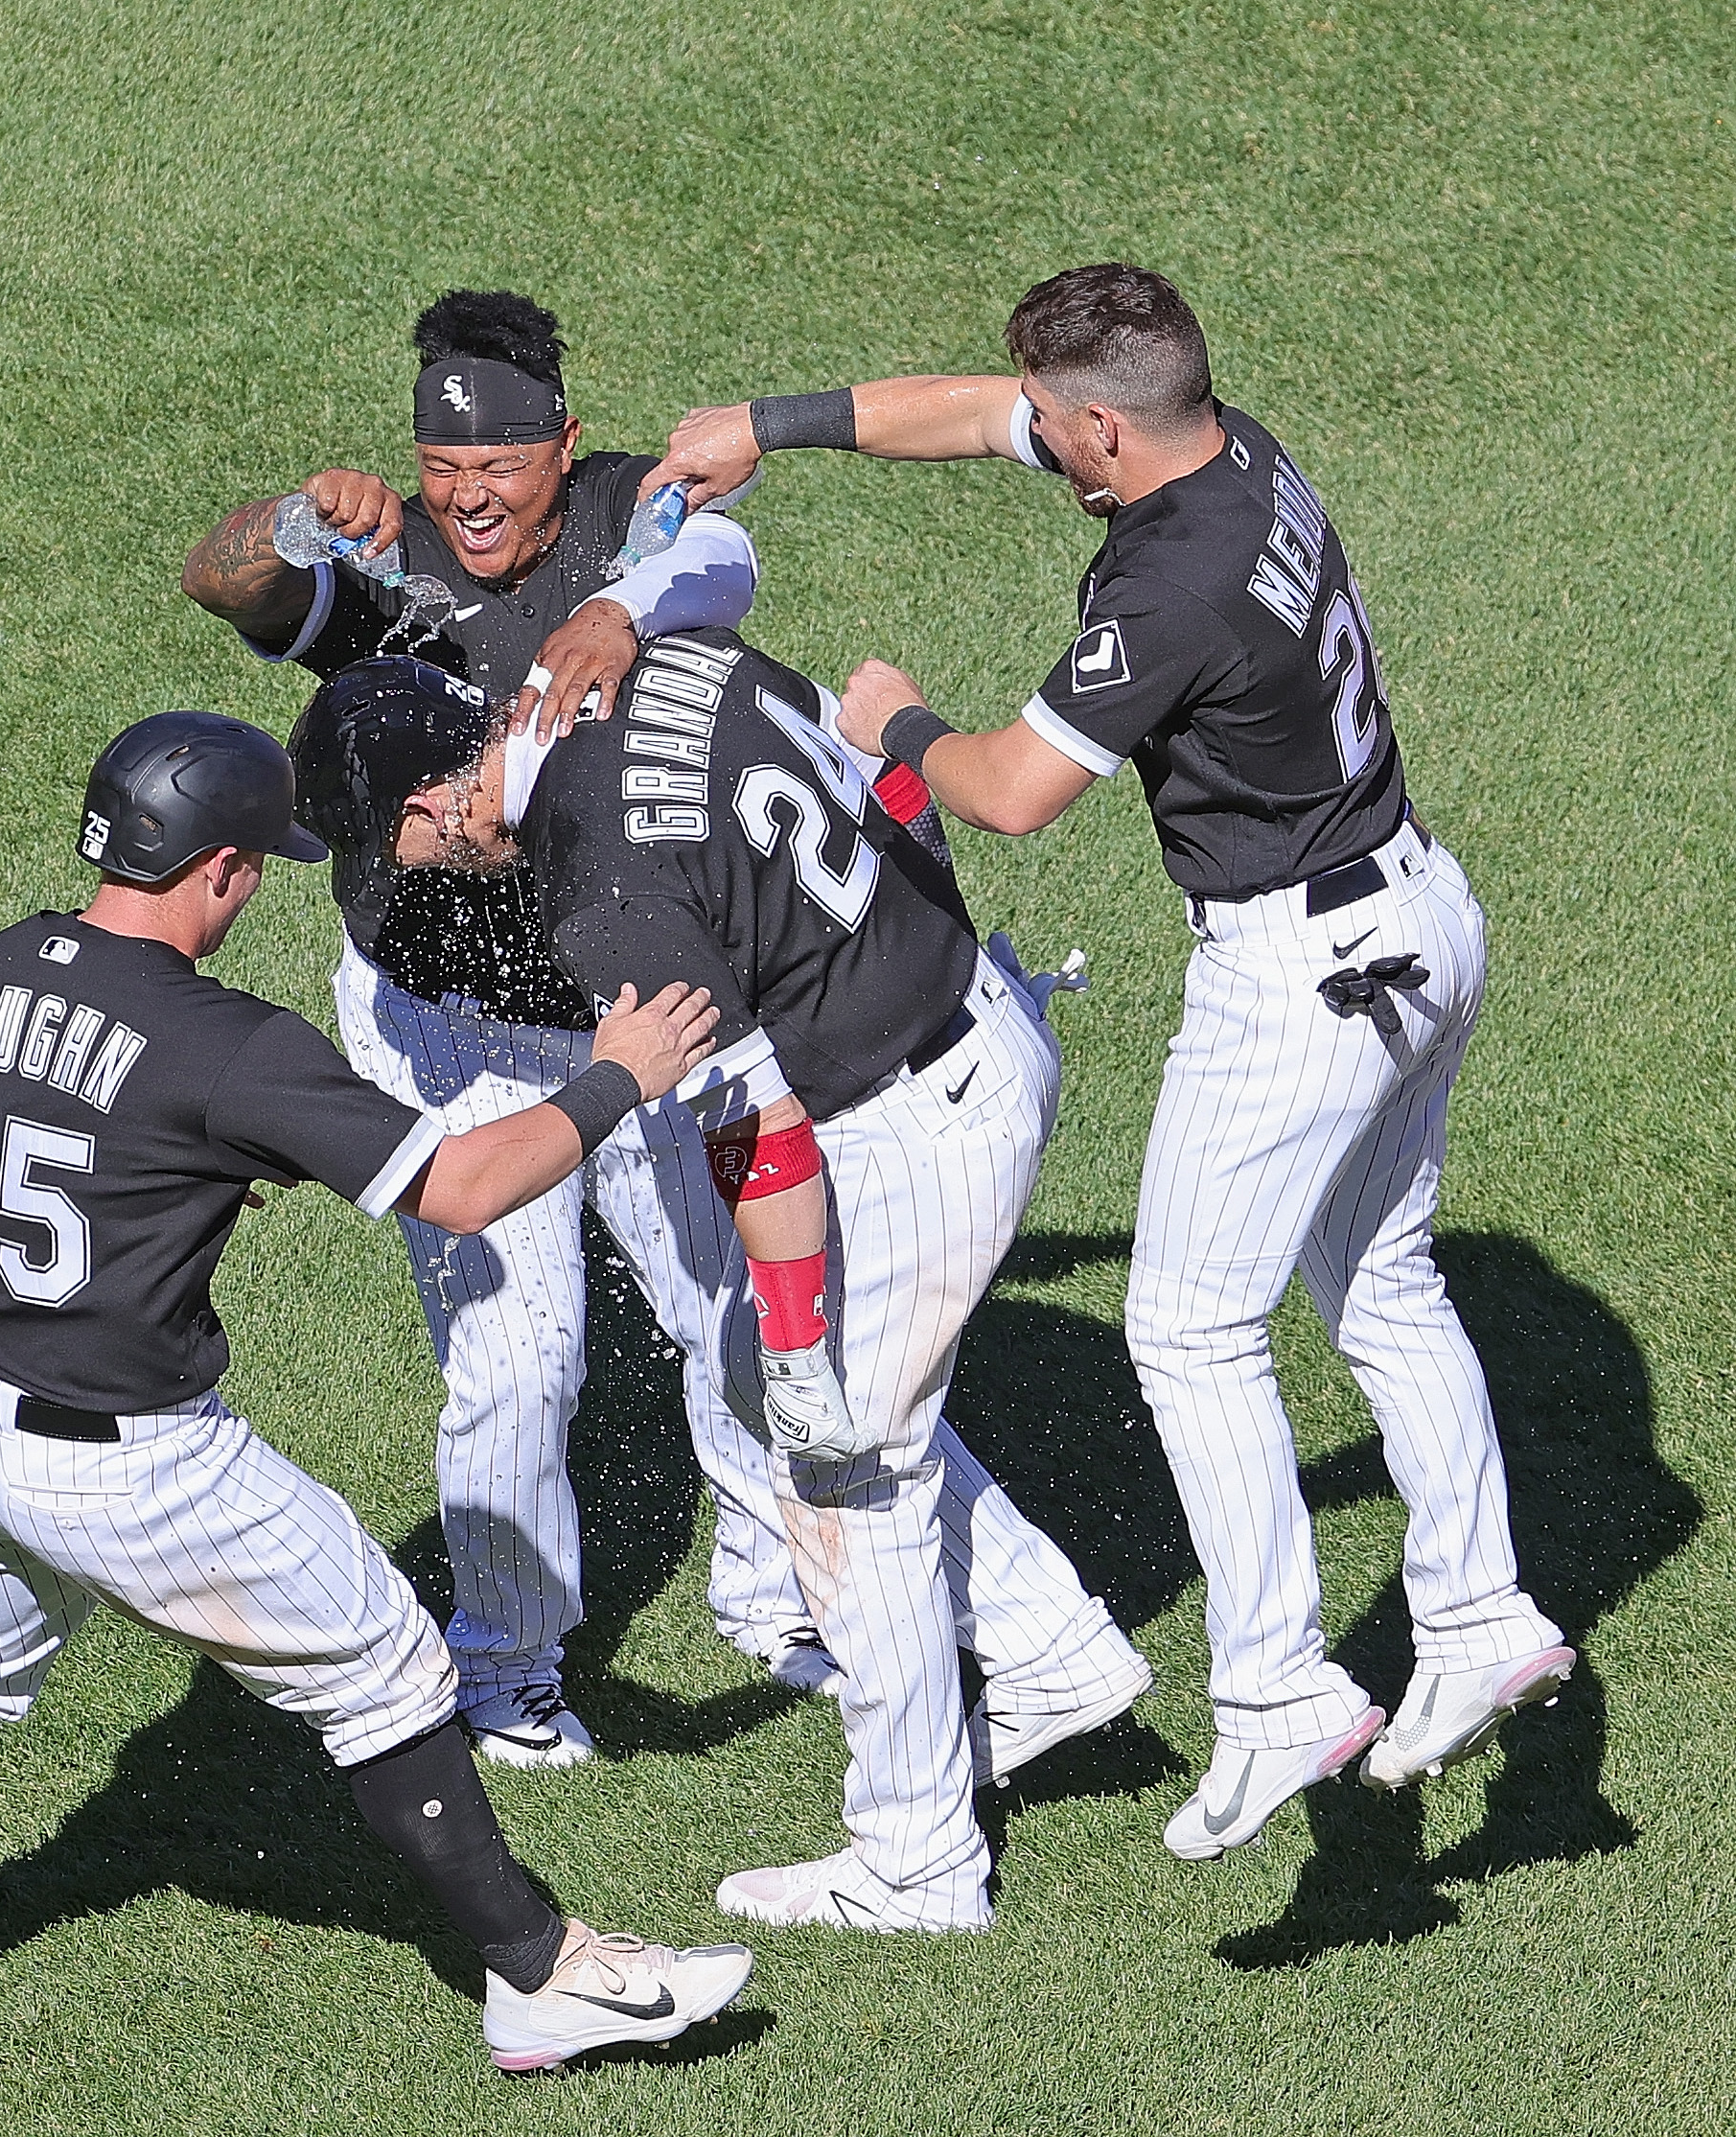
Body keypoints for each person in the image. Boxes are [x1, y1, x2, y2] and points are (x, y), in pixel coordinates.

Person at [0, 710, 752, 2103]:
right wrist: (620, 1076)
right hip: (129, 1468)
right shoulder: (228, 1043)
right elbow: (469, 1187)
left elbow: (117, 1140)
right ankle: (543, 1977)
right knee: (392, 1666)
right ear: (225, 870)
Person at [653, 264, 1574, 1860]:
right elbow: (975, 410)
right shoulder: (1229, 445)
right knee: (1383, 1281)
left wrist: (895, 724)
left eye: (1058, 432)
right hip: (1421, 909)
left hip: (1304, 977)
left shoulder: (1177, 586)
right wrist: (771, 427)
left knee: (1191, 1328)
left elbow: (1008, 789)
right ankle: (1480, 1612)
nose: (1044, 448)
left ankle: (1279, 1683)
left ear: (1108, 425)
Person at [298, 643, 1154, 1935]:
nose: (405, 881)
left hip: (907, 1129)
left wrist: (803, 1348)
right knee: (799, 1398)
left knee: (848, 1476)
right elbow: (875, 777)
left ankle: (918, 1855)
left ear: (438, 806)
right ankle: (1053, 1656)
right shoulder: (661, 664)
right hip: (973, 1022)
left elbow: (766, 1140)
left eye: (394, 851)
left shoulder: (599, 902)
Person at [183, 290, 842, 1766]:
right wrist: (291, 511)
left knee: (732, 1301)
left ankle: (770, 1592)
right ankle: (506, 1670)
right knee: (522, 1356)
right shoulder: (388, 569)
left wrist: (624, 604)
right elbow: (219, 580)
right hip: (449, 1023)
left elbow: (721, 557)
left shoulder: (630, 519)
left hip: (639, 993)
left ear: (564, 441)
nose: (466, 496)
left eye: (498, 465)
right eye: (439, 465)